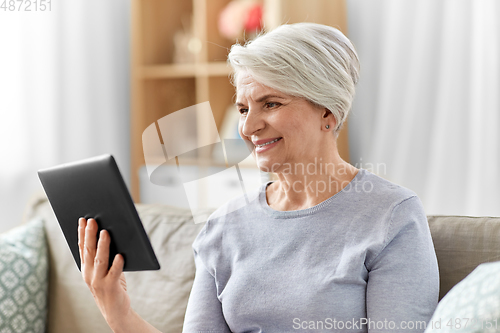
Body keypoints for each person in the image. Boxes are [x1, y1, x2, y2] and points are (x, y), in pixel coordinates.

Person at [78, 22, 439, 333]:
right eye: (243, 108)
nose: (248, 127)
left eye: (271, 104)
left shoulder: (392, 216)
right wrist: (117, 311)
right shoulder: (223, 226)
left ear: (327, 111)